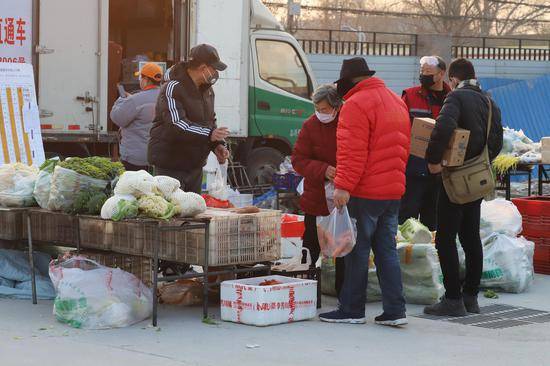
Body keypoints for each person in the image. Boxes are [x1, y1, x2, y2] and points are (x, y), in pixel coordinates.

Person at [319, 57, 411, 326]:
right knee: (386, 251)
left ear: (348, 82)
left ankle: (352, 309)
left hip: (365, 192)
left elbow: (352, 152)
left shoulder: (356, 105)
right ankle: (395, 311)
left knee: (356, 251)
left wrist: (343, 186)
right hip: (392, 192)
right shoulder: (397, 101)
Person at [424, 58, 503, 317]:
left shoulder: (455, 98)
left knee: (445, 239)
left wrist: (435, 161)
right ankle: (471, 297)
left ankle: (453, 299)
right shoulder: (489, 102)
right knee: (471, 237)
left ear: (453, 79)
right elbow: (497, 142)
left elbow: (443, 128)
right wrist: (479, 163)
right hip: (478, 180)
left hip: (455, 179)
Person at [148, 44, 230, 193]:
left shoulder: (207, 90)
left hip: (195, 165)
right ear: (203, 68)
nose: (215, 73)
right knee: (173, 213)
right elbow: (176, 124)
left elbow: (210, 121)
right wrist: (209, 134)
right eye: (214, 69)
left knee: (193, 212)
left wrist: (217, 144)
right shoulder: (172, 87)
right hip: (171, 165)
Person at [291, 84, 345, 296]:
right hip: (316, 194)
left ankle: (343, 292)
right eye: (317, 109)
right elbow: (298, 159)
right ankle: (306, 287)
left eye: (324, 110)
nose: (321, 114)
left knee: (342, 246)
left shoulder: (347, 123)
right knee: (311, 241)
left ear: (336, 107)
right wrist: (323, 169)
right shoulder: (310, 125)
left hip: (343, 195)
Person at [399, 56, 451, 230]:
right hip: (413, 168)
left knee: (434, 222)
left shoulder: (451, 98)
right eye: (422, 72)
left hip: (441, 171)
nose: (424, 75)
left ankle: (429, 255)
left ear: (441, 73)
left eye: (428, 72)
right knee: (407, 220)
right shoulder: (411, 95)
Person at [110, 62, 163, 171]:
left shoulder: (135, 100)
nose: (140, 80)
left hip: (134, 159)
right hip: (158, 157)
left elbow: (117, 118)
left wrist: (122, 100)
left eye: (140, 77)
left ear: (146, 80)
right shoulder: (166, 97)